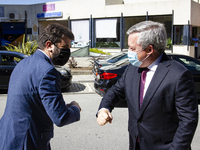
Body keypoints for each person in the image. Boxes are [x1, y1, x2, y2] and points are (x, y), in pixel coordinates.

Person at [97, 21, 198, 150]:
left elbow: (188, 120)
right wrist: (104, 108)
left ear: (149, 49)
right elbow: (116, 91)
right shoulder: (132, 68)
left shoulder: (179, 75)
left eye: (132, 48)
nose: (129, 52)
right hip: (136, 144)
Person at [0, 23, 81, 150]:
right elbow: (60, 117)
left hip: (9, 137)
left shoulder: (23, 63)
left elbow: (33, 102)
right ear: (49, 45)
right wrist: (75, 109)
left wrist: (63, 107)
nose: (67, 52)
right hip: (28, 142)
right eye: (64, 47)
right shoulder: (48, 71)